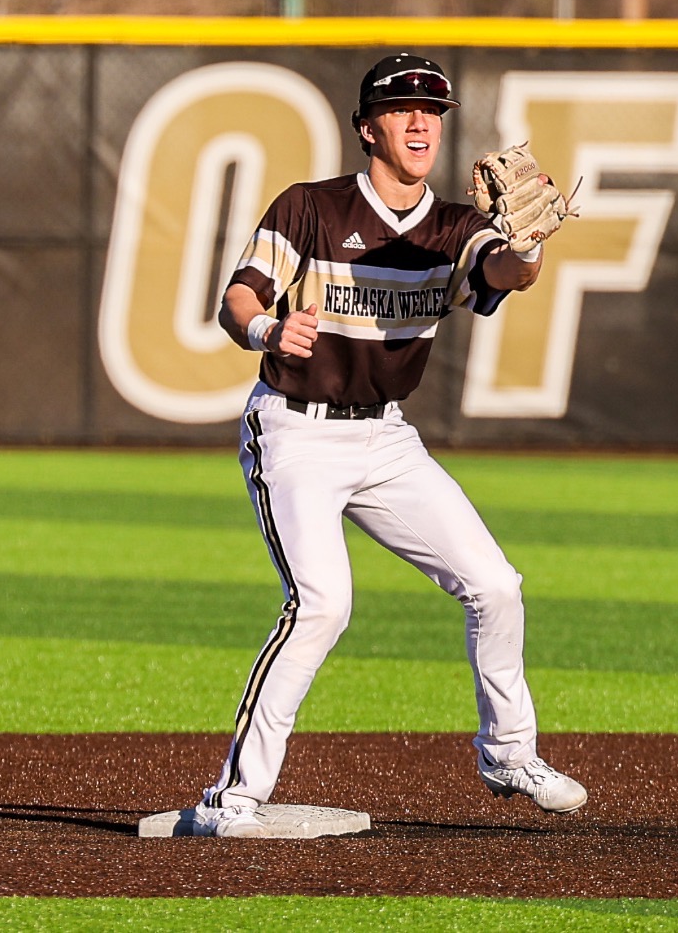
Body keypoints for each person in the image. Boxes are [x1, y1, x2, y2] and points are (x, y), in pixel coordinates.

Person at [190, 53, 588, 838]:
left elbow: (504, 271)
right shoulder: (309, 207)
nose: (419, 122)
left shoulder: (453, 228)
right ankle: (232, 799)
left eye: (433, 110)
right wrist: (269, 328)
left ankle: (507, 753)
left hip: (384, 437)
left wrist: (530, 244)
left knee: (496, 586)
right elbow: (238, 298)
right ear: (367, 126)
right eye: (402, 108)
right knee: (323, 604)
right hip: (295, 431)